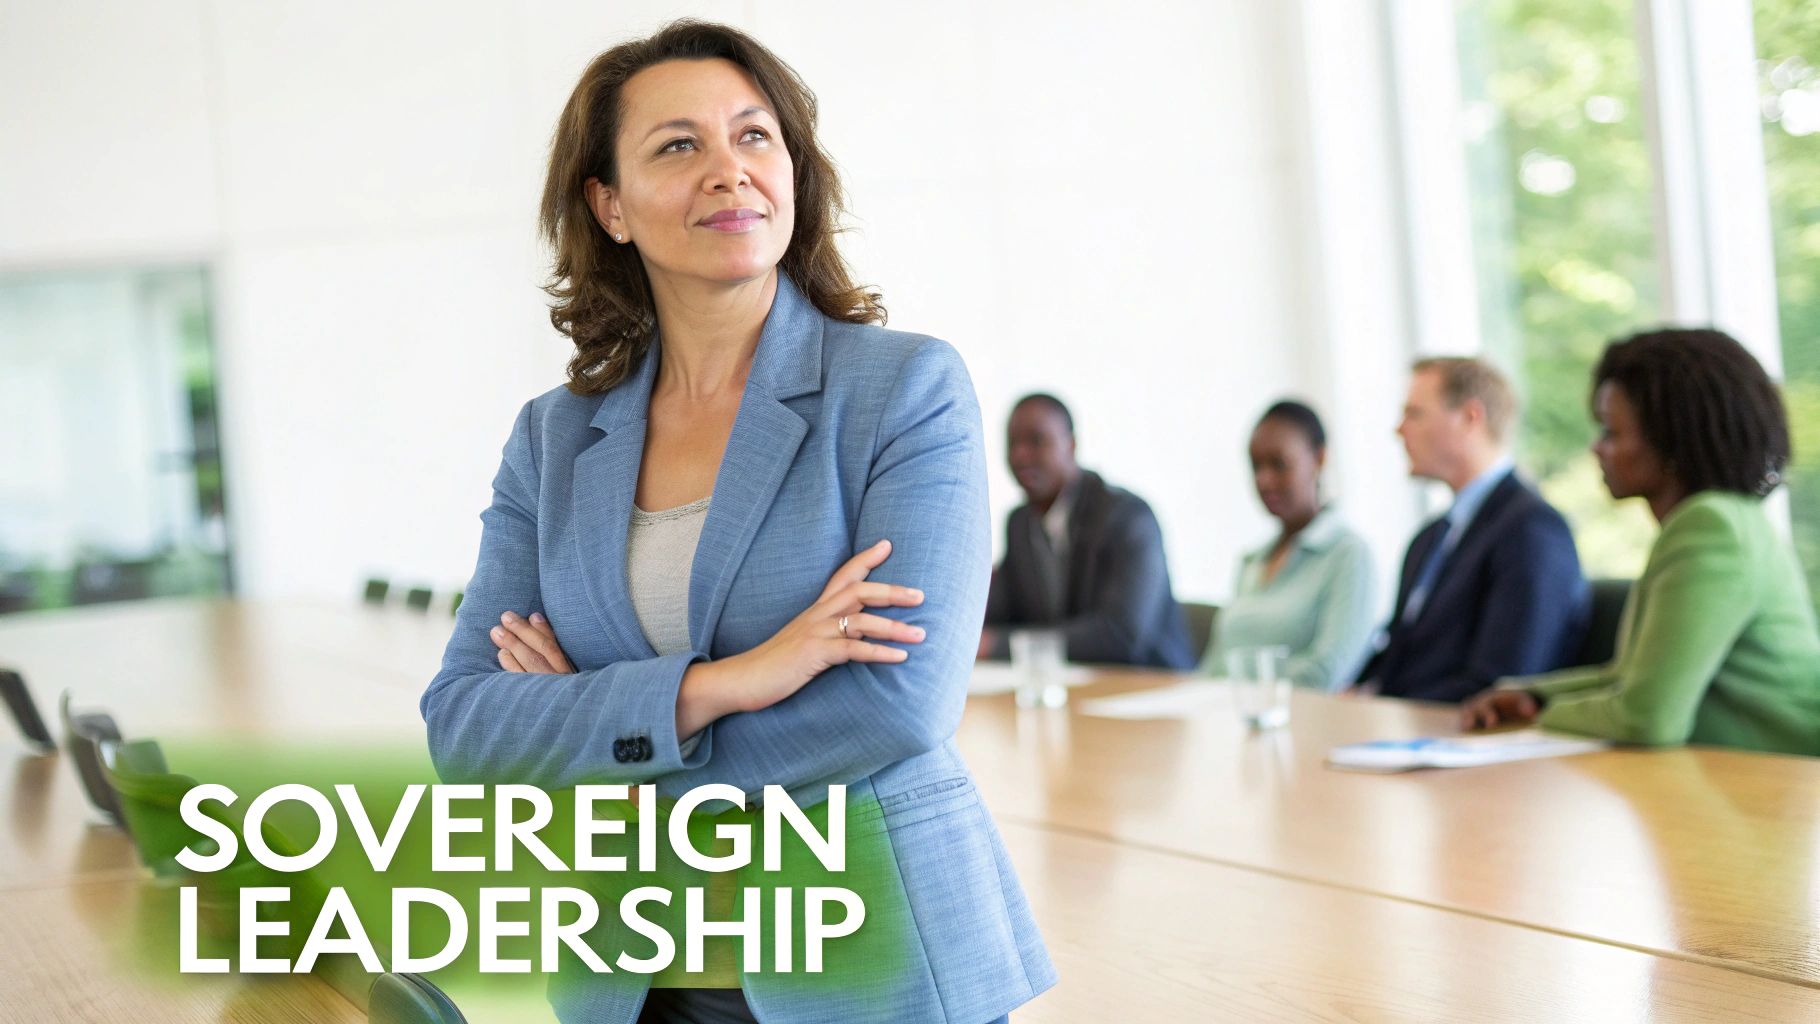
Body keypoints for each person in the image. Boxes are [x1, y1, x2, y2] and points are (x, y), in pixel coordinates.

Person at [419, 21, 1053, 1023]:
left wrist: (613, 750)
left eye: (754, 137)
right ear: (609, 204)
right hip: (638, 980)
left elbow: (898, 706)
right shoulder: (552, 441)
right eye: (678, 146)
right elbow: (464, 730)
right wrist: (725, 685)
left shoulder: (900, 392)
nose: (728, 170)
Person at [1463, 329, 1820, 754]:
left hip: (1783, 783)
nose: (1597, 448)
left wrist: (1537, 718)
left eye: (1611, 432)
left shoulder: (1710, 528)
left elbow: (1648, 717)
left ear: (1671, 441)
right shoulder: (1725, 518)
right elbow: (1636, 676)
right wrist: (1534, 694)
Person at [1355, 357, 1587, 702]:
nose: (1399, 429)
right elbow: (1396, 657)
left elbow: (1503, 682)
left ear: (1470, 417)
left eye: (1414, 414)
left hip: (1464, 740)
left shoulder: (1532, 530)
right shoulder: (1430, 538)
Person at [978, 393, 1194, 668]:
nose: (1021, 455)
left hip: (1150, 684)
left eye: (1036, 441)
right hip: (1070, 687)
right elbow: (1003, 609)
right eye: (1013, 443)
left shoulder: (1127, 517)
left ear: (1071, 445)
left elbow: (1120, 636)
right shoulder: (1020, 523)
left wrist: (997, 645)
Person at [1200, 400, 1376, 690]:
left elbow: (1324, 672)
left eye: (1278, 464)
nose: (1265, 481)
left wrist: (1234, 691)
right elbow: (1213, 667)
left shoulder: (1348, 556)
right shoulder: (1251, 561)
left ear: (1319, 459)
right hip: (1228, 718)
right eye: (1256, 466)